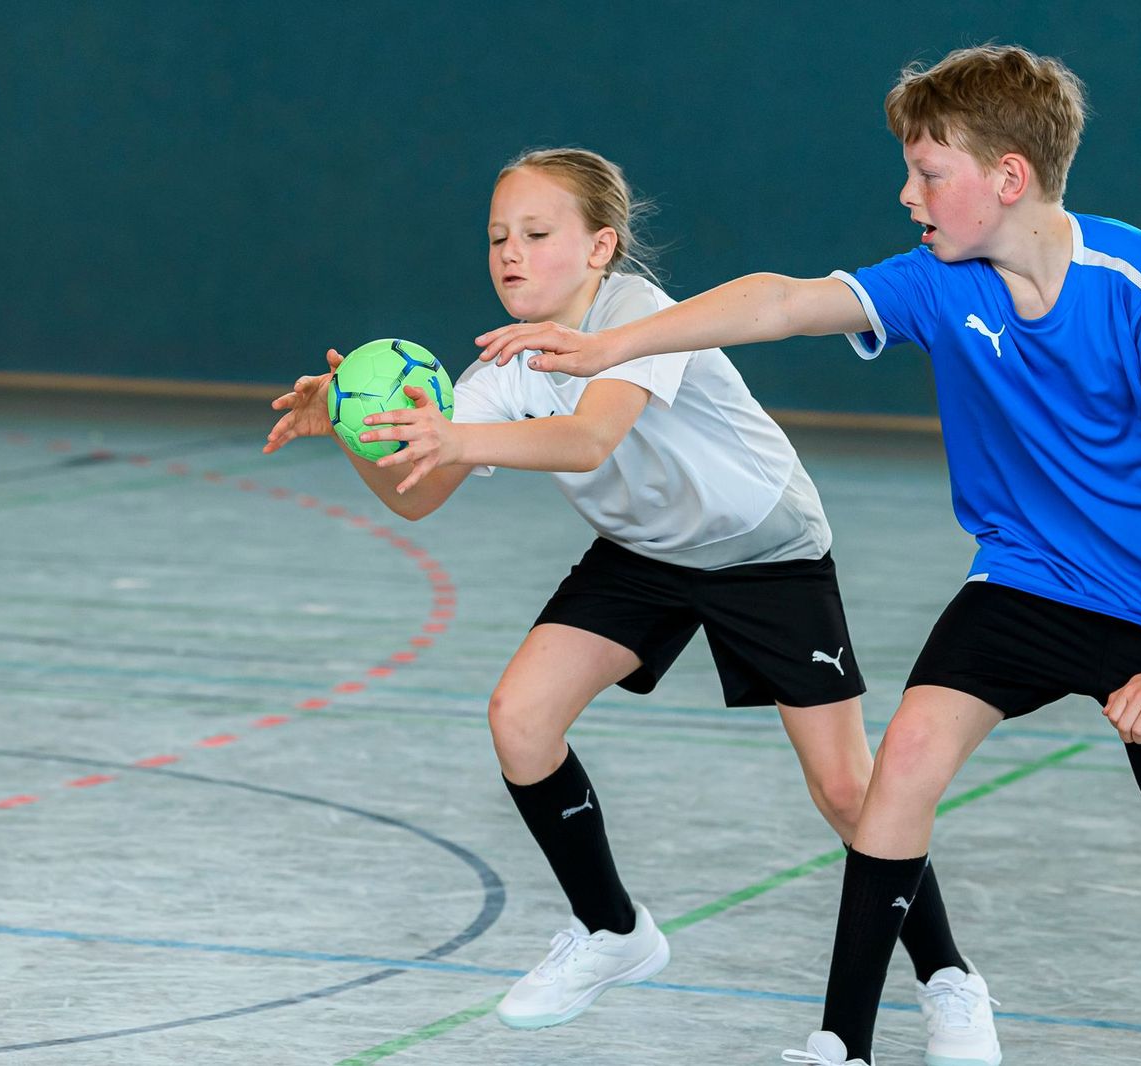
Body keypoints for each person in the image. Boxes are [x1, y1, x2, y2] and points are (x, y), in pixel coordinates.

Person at [473, 51, 1141, 1066]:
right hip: (1025, 578)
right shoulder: (940, 281)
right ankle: (843, 1043)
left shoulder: (1134, 281)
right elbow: (783, 300)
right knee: (904, 770)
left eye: (928, 173)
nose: (906, 194)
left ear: (1007, 178)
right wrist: (614, 345)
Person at [264, 147, 997, 1060]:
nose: (510, 254)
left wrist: (452, 430)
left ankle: (950, 982)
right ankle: (613, 931)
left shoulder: (640, 315)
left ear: (601, 246)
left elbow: (587, 438)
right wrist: (354, 427)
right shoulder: (502, 370)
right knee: (520, 720)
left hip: (766, 551)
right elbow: (416, 497)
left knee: (850, 791)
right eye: (498, 237)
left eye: (536, 234)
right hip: (645, 554)